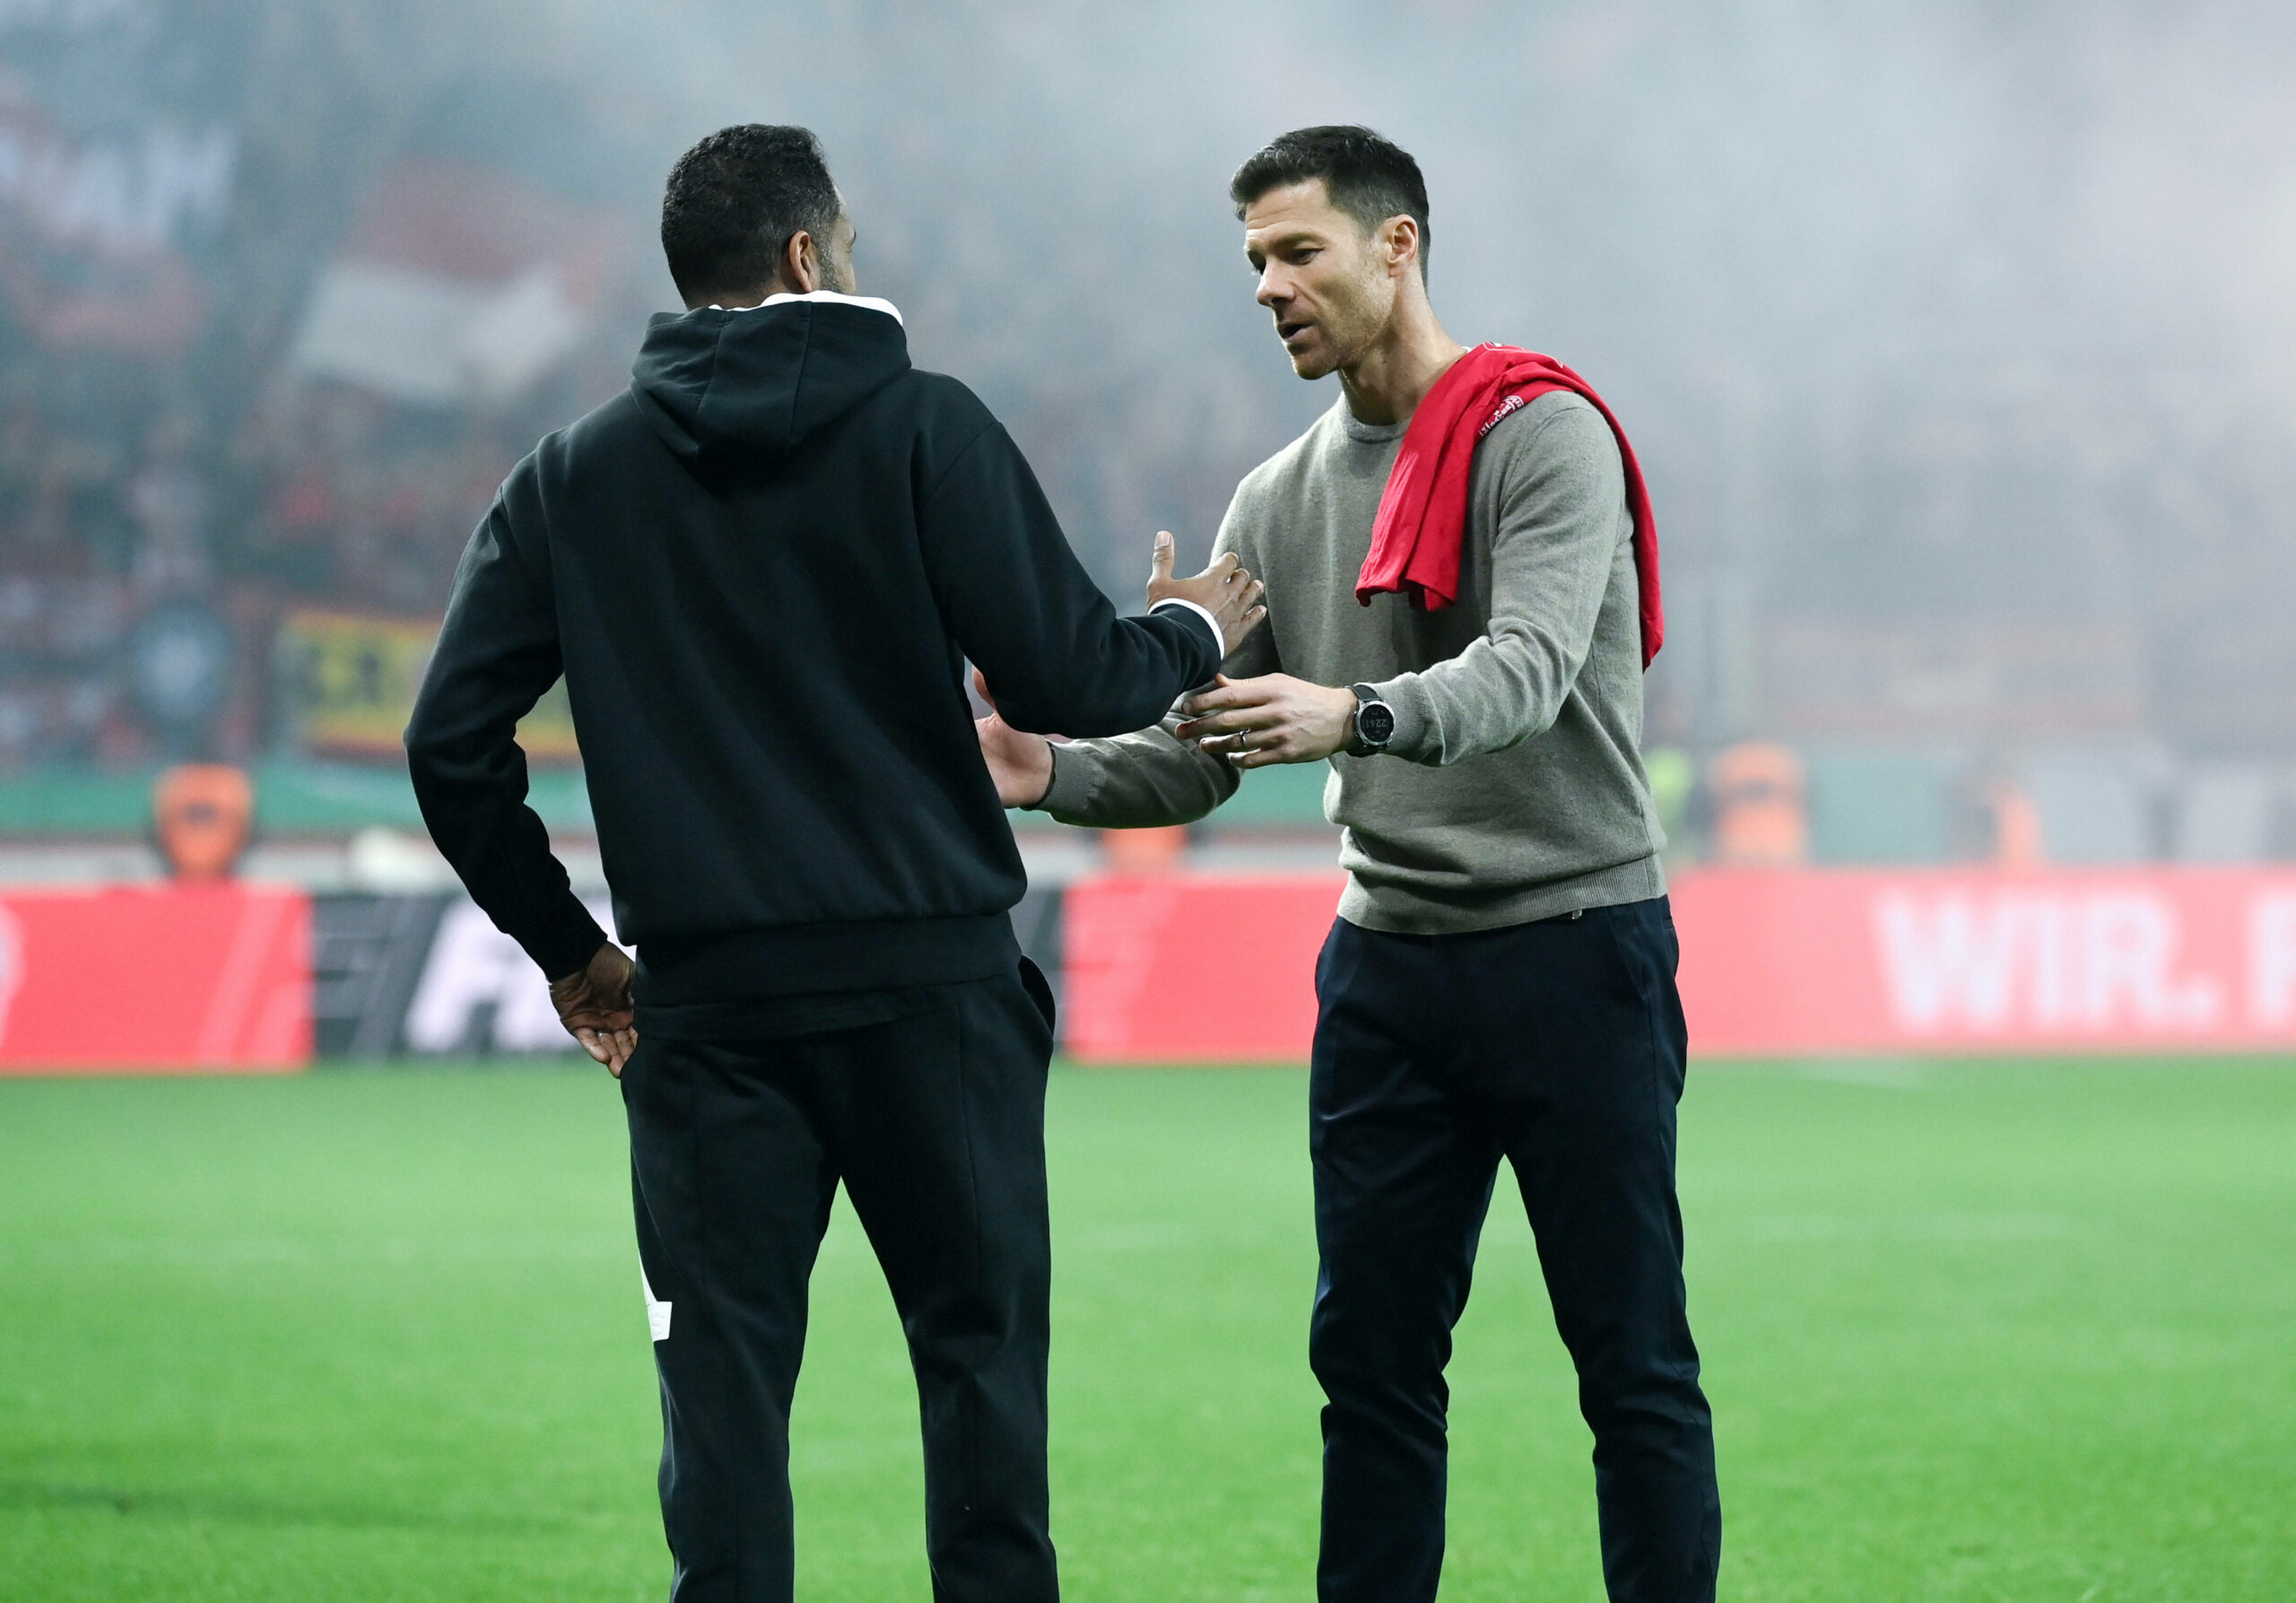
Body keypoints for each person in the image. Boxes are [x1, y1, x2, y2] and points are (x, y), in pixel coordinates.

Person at [404, 123, 1264, 1603]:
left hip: (711, 1018)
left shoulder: (573, 476)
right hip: (934, 992)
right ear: (809, 255)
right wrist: (1192, 625)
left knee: (722, 1420)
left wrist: (573, 951)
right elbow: (1070, 677)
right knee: (981, 1386)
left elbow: (446, 745)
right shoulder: (925, 425)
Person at [978, 126, 1721, 1602]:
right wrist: (1048, 770)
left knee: (1631, 1361)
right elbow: (1202, 754)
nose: (1268, 285)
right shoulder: (1276, 496)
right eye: (1253, 260)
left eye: (1298, 250)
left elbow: (1522, 672)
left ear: (1399, 245)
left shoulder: (1543, 434)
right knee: (1370, 1369)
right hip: (1386, 970)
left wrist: (1352, 711)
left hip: (1575, 944)